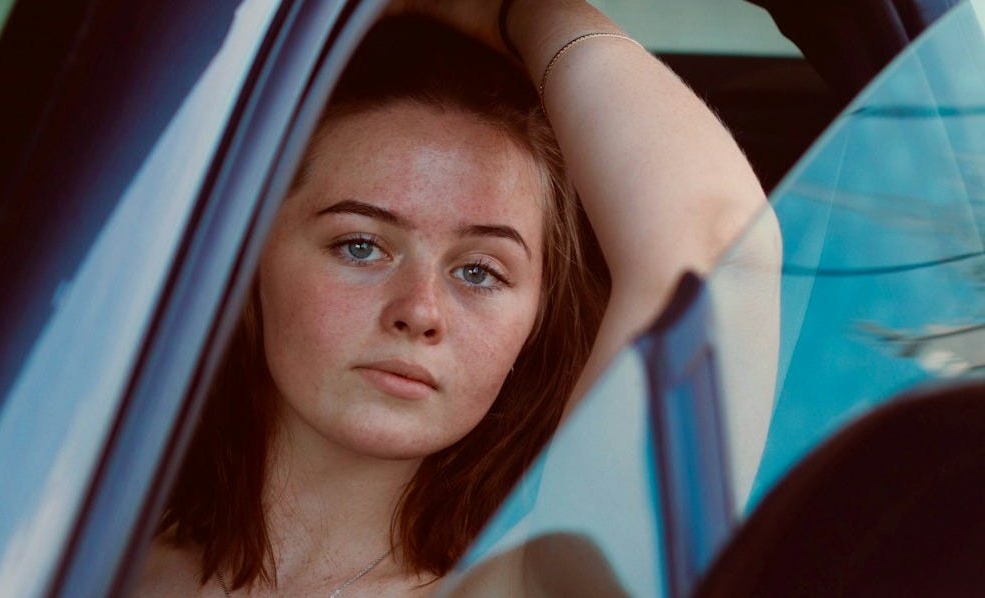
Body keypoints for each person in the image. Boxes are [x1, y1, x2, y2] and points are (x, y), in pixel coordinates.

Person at [135, 0, 775, 595]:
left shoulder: (532, 586)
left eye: (479, 272)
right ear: (250, 259)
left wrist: (514, 9)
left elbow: (718, 248)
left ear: (536, 320)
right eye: (360, 246)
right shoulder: (75, 531)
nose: (419, 311)